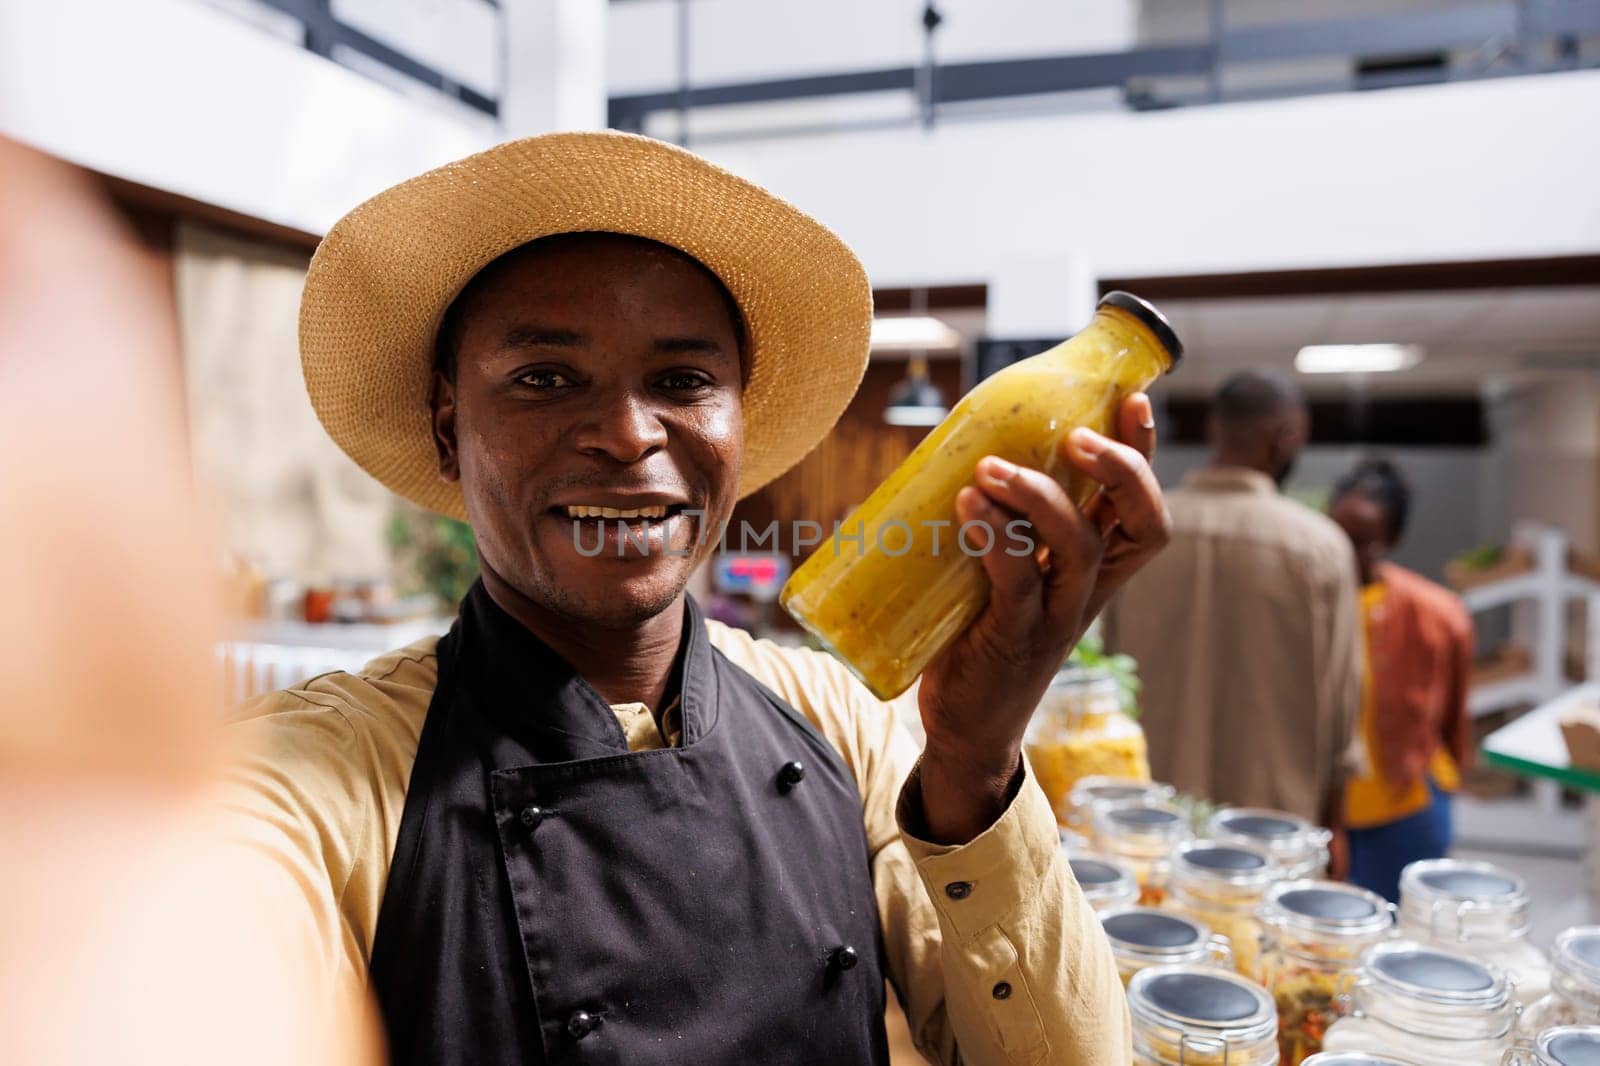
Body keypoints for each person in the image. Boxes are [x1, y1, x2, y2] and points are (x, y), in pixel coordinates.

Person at [218, 132, 1174, 1065]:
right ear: (446, 425)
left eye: (682, 379)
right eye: (545, 378)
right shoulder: (309, 786)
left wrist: (975, 756)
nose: (630, 434)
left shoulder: (851, 725)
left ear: (739, 421)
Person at [1102, 370, 1361, 828]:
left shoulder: (1138, 528)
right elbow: (1340, 694)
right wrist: (1335, 822)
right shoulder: (1319, 547)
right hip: (1271, 823)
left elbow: (1109, 669)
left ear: (1213, 430)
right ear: (1286, 437)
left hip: (1146, 816)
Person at [1329, 459, 1473, 903]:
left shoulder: (1435, 612)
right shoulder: (1313, 603)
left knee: (1405, 925)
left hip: (1408, 801)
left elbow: (1454, 713)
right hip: (1331, 807)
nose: (1348, 552)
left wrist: (1449, 775)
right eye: (1338, 535)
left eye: (1363, 540)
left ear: (1390, 539)